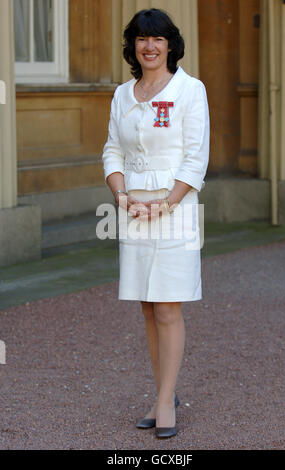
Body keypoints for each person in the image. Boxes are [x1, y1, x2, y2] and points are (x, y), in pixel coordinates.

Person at [101, 8, 210, 438]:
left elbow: (196, 157)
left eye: (158, 39)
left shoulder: (190, 90)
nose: (149, 46)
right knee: (147, 304)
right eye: (142, 38)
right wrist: (122, 195)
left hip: (175, 208)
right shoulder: (122, 94)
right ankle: (164, 390)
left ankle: (165, 402)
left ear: (170, 45)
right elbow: (112, 150)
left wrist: (165, 203)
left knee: (168, 306)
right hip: (133, 211)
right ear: (133, 46)